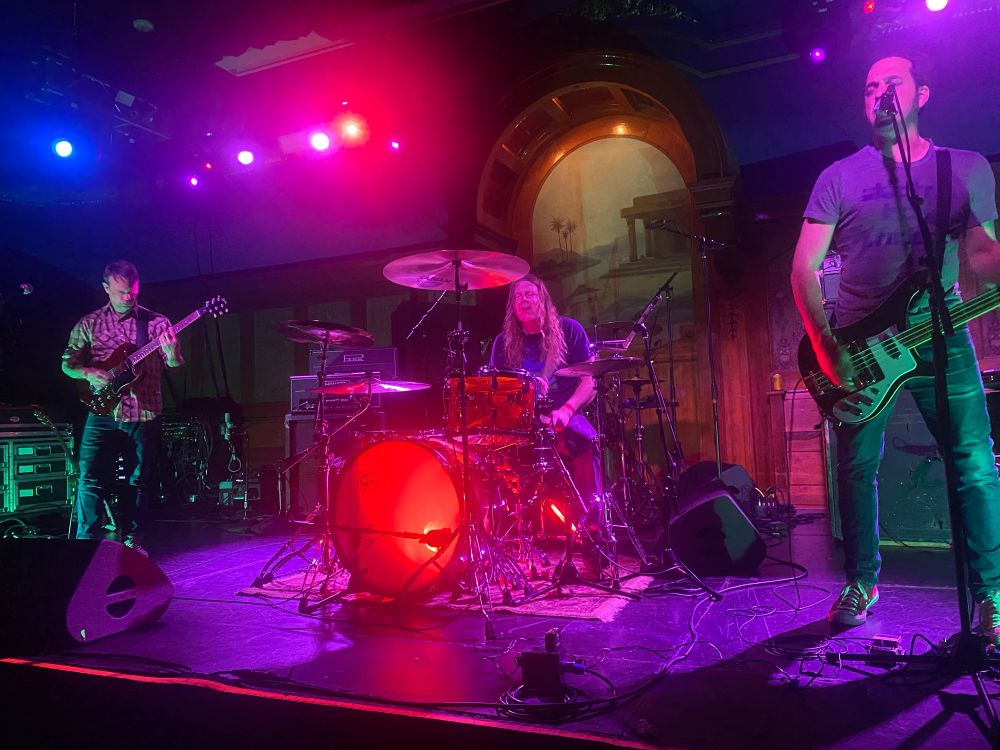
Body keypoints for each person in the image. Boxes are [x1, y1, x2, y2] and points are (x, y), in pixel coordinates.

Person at [790, 53, 1000, 638]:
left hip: (942, 335)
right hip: (858, 346)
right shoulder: (838, 176)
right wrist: (827, 346)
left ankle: (990, 597)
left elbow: (983, 254)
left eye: (892, 82)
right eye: (869, 86)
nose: (879, 91)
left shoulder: (964, 168)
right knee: (856, 470)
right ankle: (862, 580)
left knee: (976, 467)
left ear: (922, 94)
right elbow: (804, 270)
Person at [62, 260, 184, 553]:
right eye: (120, 292)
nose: (127, 298)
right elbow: (68, 364)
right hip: (101, 410)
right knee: (90, 477)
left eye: (132, 292)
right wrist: (89, 373)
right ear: (106, 288)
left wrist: (172, 351)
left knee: (138, 480)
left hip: (143, 412)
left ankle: (134, 543)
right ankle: (85, 545)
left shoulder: (155, 323)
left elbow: (175, 364)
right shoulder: (89, 323)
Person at [488, 274, 600, 516]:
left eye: (529, 294)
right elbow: (495, 393)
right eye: (517, 296)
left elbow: (590, 381)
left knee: (586, 440)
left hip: (565, 417)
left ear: (543, 299)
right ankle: (502, 527)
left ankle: (593, 524)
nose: (523, 300)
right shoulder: (502, 343)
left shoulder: (570, 330)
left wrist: (567, 410)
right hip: (521, 424)